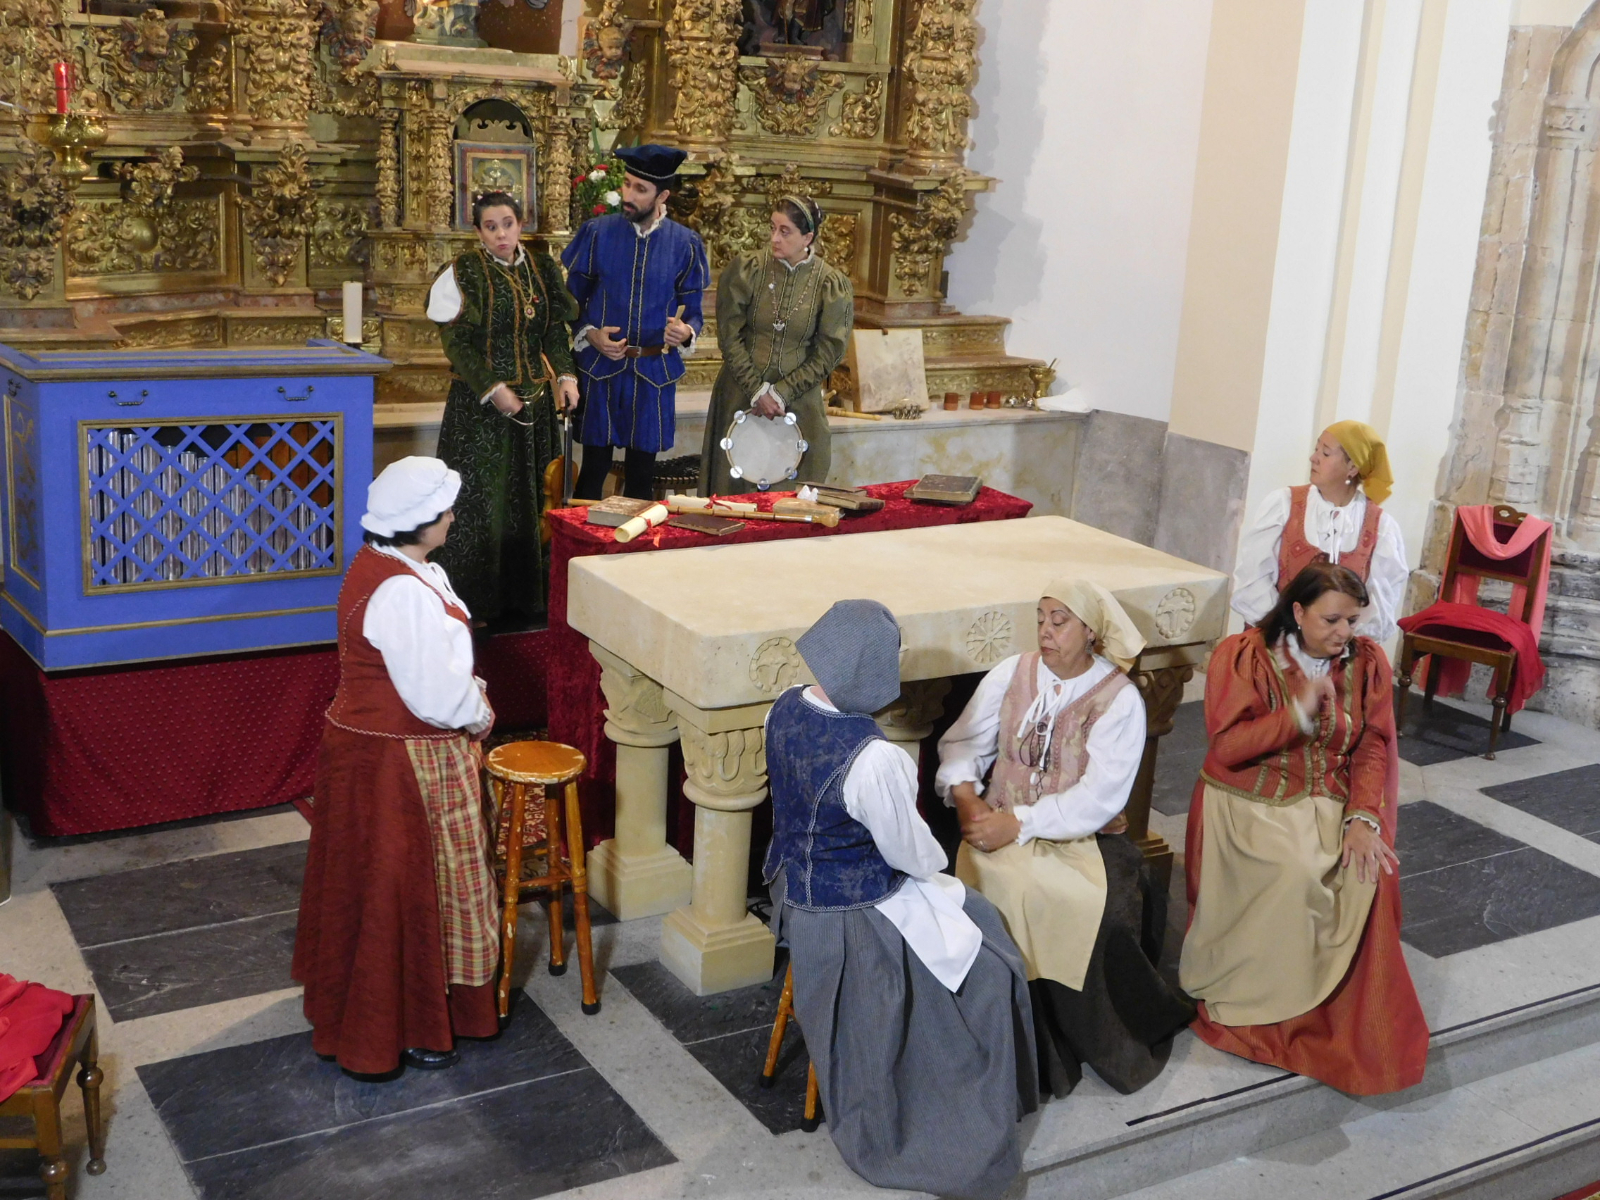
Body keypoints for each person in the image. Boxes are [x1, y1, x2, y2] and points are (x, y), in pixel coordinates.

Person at [765, 600, 1037, 1200]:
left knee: (972, 923)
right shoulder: (874, 757)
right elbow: (910, 853)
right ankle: (965, 1108)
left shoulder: (783, 706)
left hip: (793, 893)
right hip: (852, 919)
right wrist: (943, 873)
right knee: (987, 960)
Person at [937, 581, 1196, 1097]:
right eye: (1041, 619)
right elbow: (963, 743)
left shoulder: (1119, 700)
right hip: (997, 827)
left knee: (1051, 899)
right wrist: (967, 799)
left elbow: (1100, 797)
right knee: (998, 888)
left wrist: (1019, 824)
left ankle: (1061, 1046)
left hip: (1082, 838)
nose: (1046, 632)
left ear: (1091, 632)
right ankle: (1005, 1043)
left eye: (1060, 622)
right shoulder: (1013, 672)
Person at [1179, 562, 1428, 1095]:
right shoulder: (1244, 656)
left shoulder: (1367, 662)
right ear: (1297, 611)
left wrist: (1363, 819)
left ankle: (1345, 1016)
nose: (1343, 633)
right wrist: (1296, 713)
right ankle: (1269, 1012)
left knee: (1370, 871)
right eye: (1331, 620)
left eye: (1352, 621)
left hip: (1328, 798)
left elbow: (1372, 745)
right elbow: (1227, 746)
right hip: (1252, 797)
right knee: (1293, 873)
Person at [293, 457, 501, 1078]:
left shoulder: (385, 564)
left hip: (367, 749)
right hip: (402, 759)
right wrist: (479, 714)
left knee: (375, 883)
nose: (453, 517)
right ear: (419, 523)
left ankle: (376, 1012)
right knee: (408, 888)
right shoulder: (404, 591)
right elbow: (436, 697)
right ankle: (404, 1026)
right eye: (445, 511)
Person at [427, 190, 581, 622]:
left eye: (507, 224)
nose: (501, 234)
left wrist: (566, 377)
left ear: (520, 225)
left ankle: (526, 604)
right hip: (480, 413)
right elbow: (456, 343)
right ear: (478, 232)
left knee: (533, 504)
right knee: (482, 507)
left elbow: (553, 332)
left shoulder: (542, 268)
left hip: (534, 407)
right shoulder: (465, 272)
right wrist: (493, 388)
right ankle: (472, 604)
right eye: (490, 227)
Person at [562, 144, 711, 501]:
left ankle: (633, 538)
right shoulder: (597, 232)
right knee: (593, 470)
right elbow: (569, 304)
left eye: (640, 189)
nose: (628, 195)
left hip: (653, 375)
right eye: (627, 184)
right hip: (600, 371)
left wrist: (685, 331)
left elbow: (694, 311)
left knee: (641, 477)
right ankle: (581, 536)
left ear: (662, 196)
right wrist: (591, 334)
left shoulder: (685, 244)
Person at [699, 194, 853, 496]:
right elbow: (729, 335)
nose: (775, 238)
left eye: (785, 232)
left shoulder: (829, 283)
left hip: (798, 400)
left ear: (807, 237)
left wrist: (782, 393)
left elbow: (829, 351)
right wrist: (757, 390)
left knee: (791, 496)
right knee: (733, 495)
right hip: (740, 392)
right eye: (772, 228)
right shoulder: (748, 269)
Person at [1232, 421, 1408, 641]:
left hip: (1340, 649)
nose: (1313, 458)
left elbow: (1379, 606)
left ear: (1352, 467)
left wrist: (1336, 641)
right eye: (1316, 449)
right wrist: (1290, 633)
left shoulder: (1380, 526)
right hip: (1276, 639)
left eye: (1325, 453)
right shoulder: (1284, 505)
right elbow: (1252, 579)